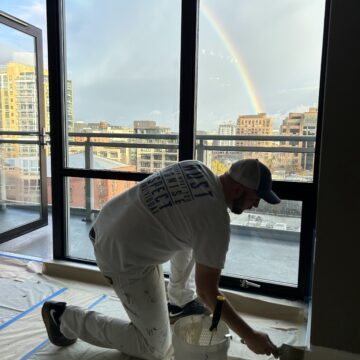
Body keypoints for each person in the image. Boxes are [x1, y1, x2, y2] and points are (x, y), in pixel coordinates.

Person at [42, 158, 281, 359]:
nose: (256, 204)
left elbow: (180, 218)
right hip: (122, 256)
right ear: (238, 190)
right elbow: (207, 291)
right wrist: (249, 335)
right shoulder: (215, 221)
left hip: (109, 221)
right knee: (154, 347)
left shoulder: (196, 167)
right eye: (255, 197)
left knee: (191, 237)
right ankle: (63, 317)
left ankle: (178, 302)